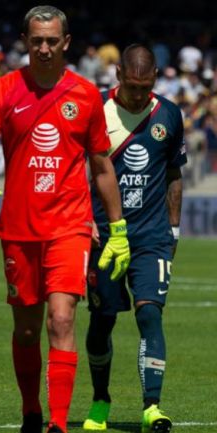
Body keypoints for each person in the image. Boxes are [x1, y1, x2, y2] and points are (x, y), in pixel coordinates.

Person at [0, 6, 130, 433]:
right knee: (25, 330)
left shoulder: (86, 94)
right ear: (24, 39)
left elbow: (103, 166)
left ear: (66, 42)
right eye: (36, 40)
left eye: (51, 40)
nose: (43, 48)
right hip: (19, 229)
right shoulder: (2, 90)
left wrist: (118, 228)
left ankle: (57, 422)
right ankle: (31, 410)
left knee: (61, 319)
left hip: (69, 225)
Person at [82, 44, 185, 433]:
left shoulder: (169, 115)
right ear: (119, 75)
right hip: (104, 237)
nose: (139, 94)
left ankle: (152, 407)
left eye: (146, 87)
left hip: (152, 236)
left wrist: (173, 228)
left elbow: (174, 174)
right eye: (133, 85)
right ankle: (100, 399)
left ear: (155, 78)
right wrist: (84, 220)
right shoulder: (96, 110)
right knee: (102, 321)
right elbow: (79, 169)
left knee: (149, 314)